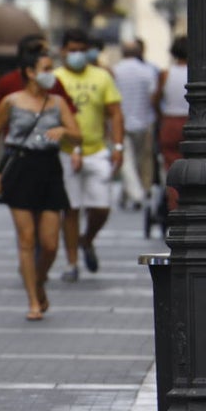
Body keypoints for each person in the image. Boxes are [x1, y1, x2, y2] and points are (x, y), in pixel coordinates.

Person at [0, 49, 81, 320]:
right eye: (46, 68)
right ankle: (33, 301)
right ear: (29, 72)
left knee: (50, 243)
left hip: (49, 168)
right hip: (20, 168)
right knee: (27, 240)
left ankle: (39, 280)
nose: (51, 74)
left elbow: (78, 137)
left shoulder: (58, 103)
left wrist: (65, 132)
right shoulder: (11, 101)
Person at [55, 28, 125, 281]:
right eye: (72, 50)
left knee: (102, 207)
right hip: (64, 152)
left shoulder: (102, 77)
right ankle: (72, 263)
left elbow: (115, 112)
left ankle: (87, 239)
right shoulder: (55, 78)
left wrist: (118, 146)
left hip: (96, 151)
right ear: (63, 51)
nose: (77, 55)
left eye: (81, 51)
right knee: (70, 209)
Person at [112, 40, 158, 209]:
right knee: (140, 161)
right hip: (144, 121)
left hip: (122, 122)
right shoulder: (147, 72)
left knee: (127, 162)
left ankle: (131, 194)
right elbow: (153, 97)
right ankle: (138, 192)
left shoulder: (115, 71)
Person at [0, 34, 73, 119]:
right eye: (43, 52)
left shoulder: (54, 82)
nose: (46, 56)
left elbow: (71, 116)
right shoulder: (7, 82)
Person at [152, 35, 190, 210]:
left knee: (171, 166)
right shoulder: (198, 73)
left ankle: (174, 205)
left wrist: (161, 116)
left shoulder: (166, 74)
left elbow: (155, 99)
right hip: (192, 121)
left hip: (170, 121)